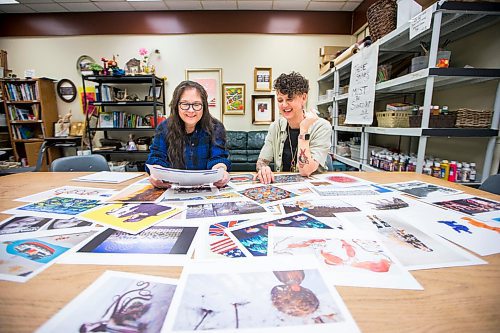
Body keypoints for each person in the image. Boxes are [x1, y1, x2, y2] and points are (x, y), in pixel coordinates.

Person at [146, 80, 231, 188]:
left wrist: (220, 172)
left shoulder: (216, 127)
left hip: (206, 187)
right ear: (176, 105)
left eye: (196, 104)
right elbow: (156, 157)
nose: (191, 110)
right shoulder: (164, 127)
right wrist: (156, 174)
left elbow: (218, 157)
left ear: (204, 106)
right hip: (172, 187)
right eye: (185, 104)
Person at [255, 72, 332, 184]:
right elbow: (261, 161)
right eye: (280, 100)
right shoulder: (275, 127)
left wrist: (304, 130)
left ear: (304, 98)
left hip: (312, 186)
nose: (284, 105)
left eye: (290, 99)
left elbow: (306, 171)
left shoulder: (322, 126)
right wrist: (263, 169)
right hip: (284, 185)